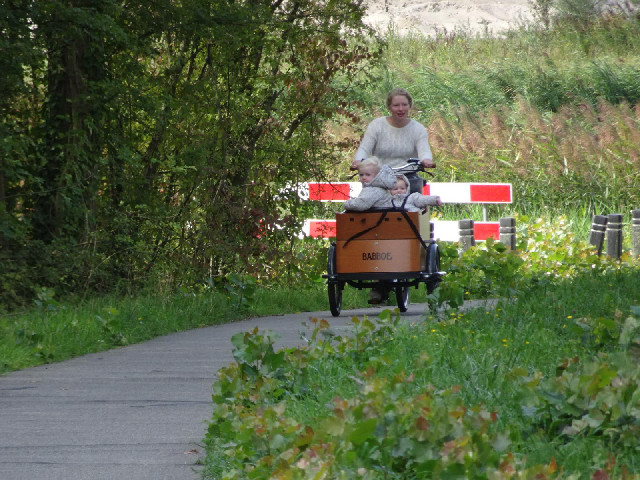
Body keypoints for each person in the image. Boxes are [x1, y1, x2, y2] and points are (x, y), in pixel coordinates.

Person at [351, 88, 435, 194]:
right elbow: (364, 148)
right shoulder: (377, 125)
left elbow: (424, 150)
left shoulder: (418, 128)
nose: (401, 109)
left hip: (408, 176)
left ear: (409, 106)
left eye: (404, 105)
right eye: (396, 105)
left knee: (414, 201)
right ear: (389, 107)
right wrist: (358, 161)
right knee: (371, 199)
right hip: (380, 176)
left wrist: (426, 160)